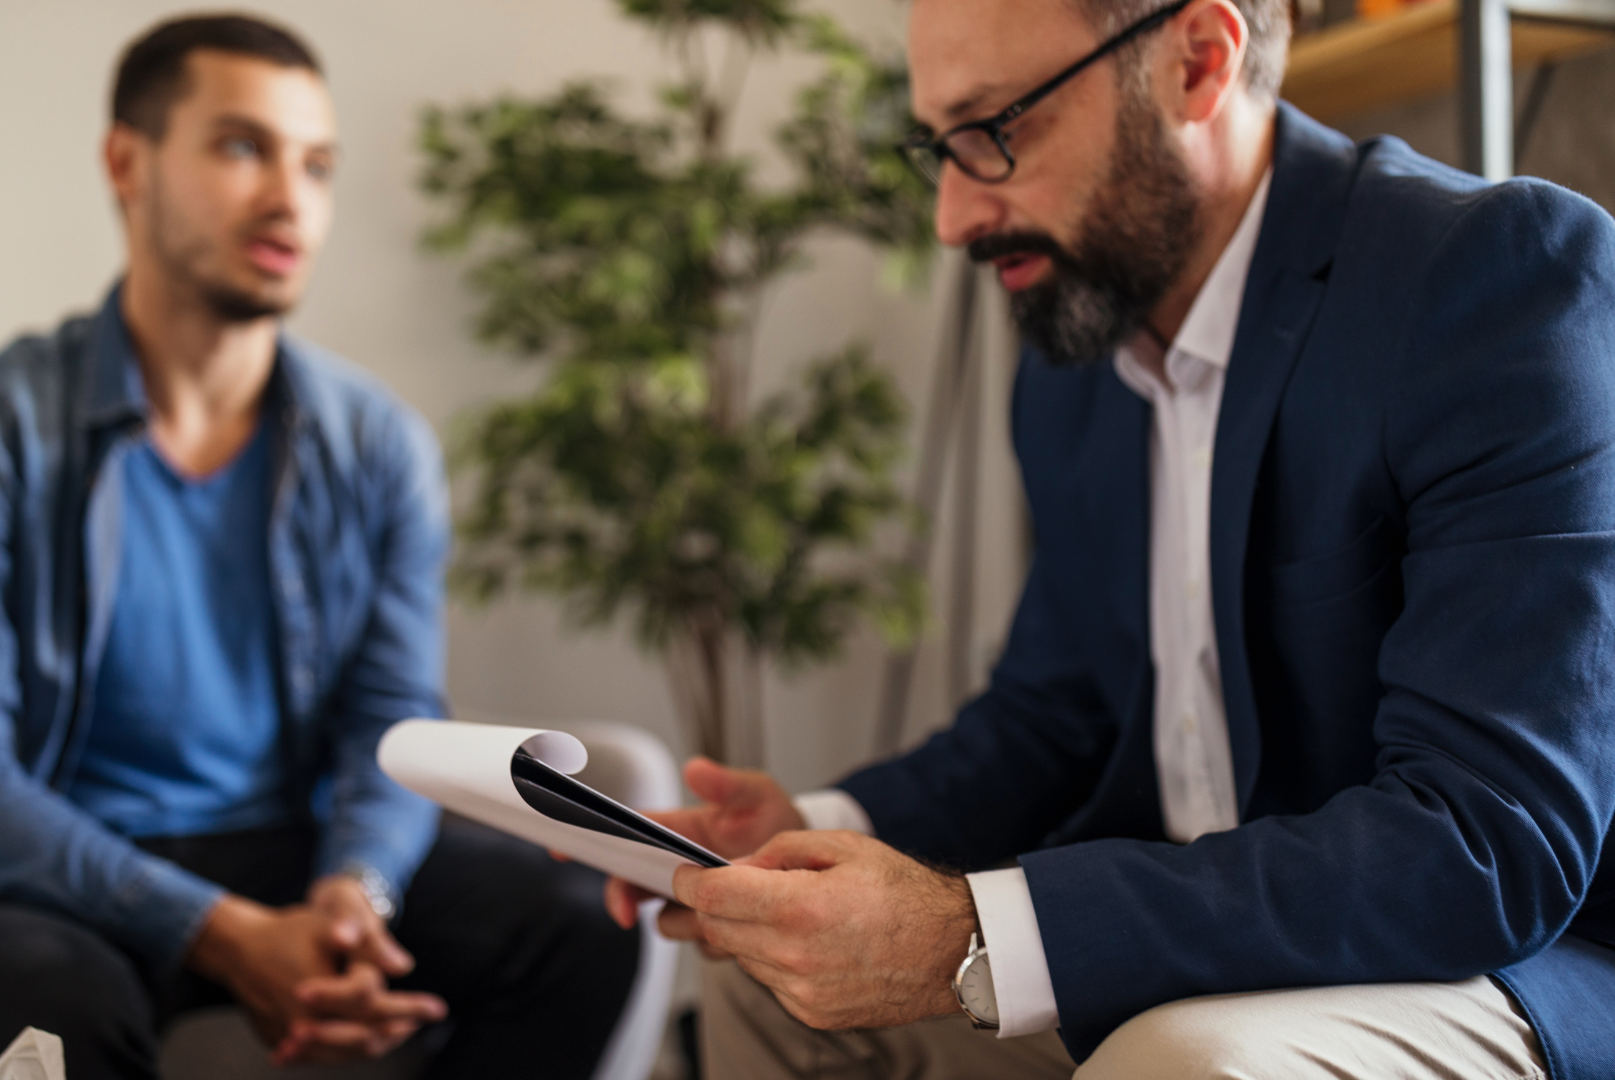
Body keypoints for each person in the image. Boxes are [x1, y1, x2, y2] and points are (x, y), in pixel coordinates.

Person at [605, 0, 1615, 1076]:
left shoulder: (1491, 277)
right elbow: (1056, 713)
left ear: (1196, 62)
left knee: (1184, 1059)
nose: (951, 218)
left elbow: (1484, 843)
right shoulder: (1073, 360)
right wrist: (801, 826)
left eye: (995, 127)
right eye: (936, 147)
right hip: (1209, 929)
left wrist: (970, 932)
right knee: (767, 989)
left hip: (1513, 957)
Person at [0, 14, 638, 1080]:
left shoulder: (380, 447)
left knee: (578, 920)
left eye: (316, 164)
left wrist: (354, 893)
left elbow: (392, 720)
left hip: (291, 849)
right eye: (242, 147)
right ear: (125, 162)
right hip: (49, 883)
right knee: (30, 1013)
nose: (291, 199)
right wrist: (221, 931)